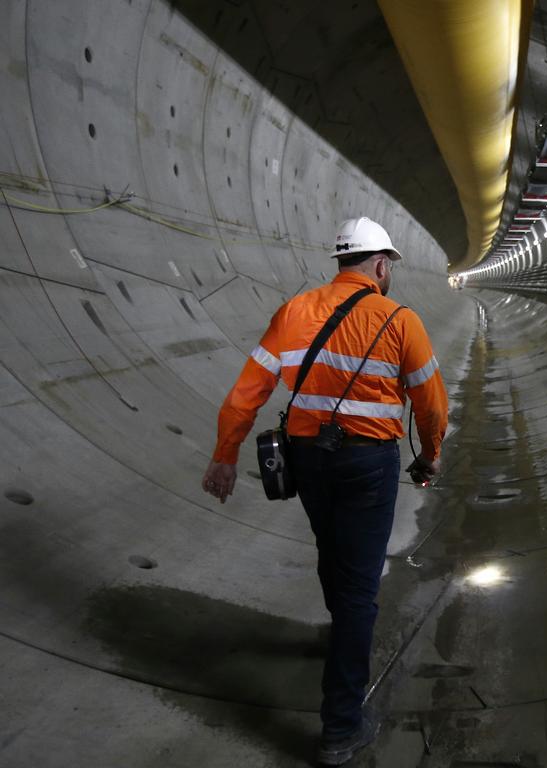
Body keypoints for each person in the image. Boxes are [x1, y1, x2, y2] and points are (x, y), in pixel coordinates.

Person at [200, 216, 448, 765]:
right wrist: (429, 456)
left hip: (308, 459)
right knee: (360, 586)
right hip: (368, 464)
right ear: (381, 265)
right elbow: (430, 405)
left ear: (342, 262)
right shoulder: (400, 319)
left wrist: (224, 456)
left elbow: (247, 393)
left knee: (332, 553)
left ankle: (340, 641)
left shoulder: (293, 313)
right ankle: (341, 727)